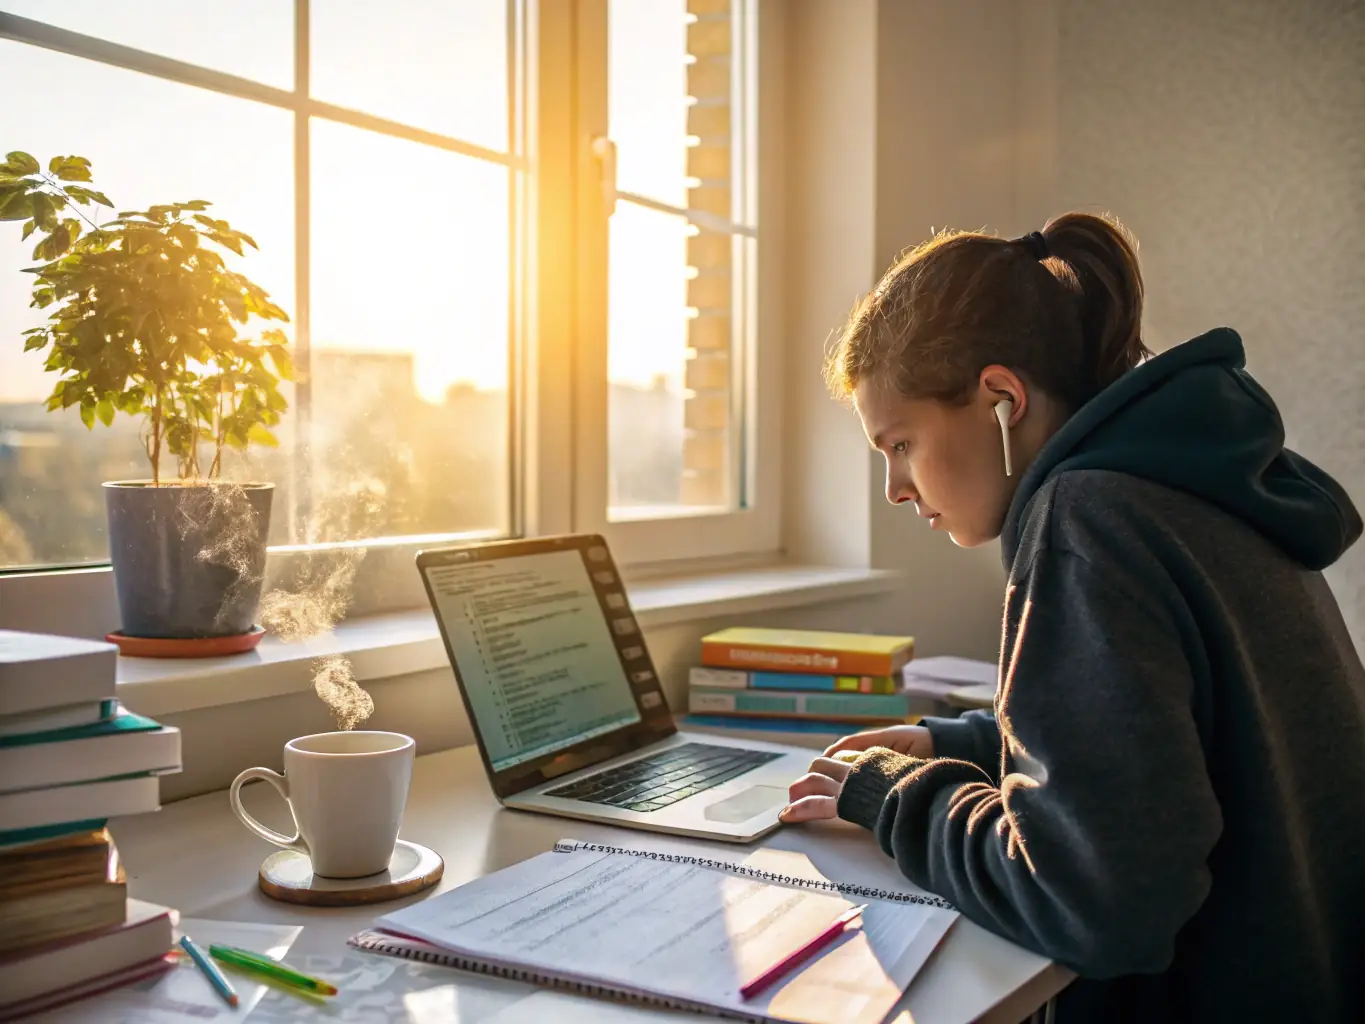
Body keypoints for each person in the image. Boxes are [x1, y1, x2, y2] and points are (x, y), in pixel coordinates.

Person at [781, 213, 1365, 1022]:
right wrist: (968, 745)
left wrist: (896, 797)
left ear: (1000, 400)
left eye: (901, 444)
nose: (895, 488)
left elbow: (1093, 901)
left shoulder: (1086, 520)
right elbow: (1194, 743)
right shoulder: (1193, 489)